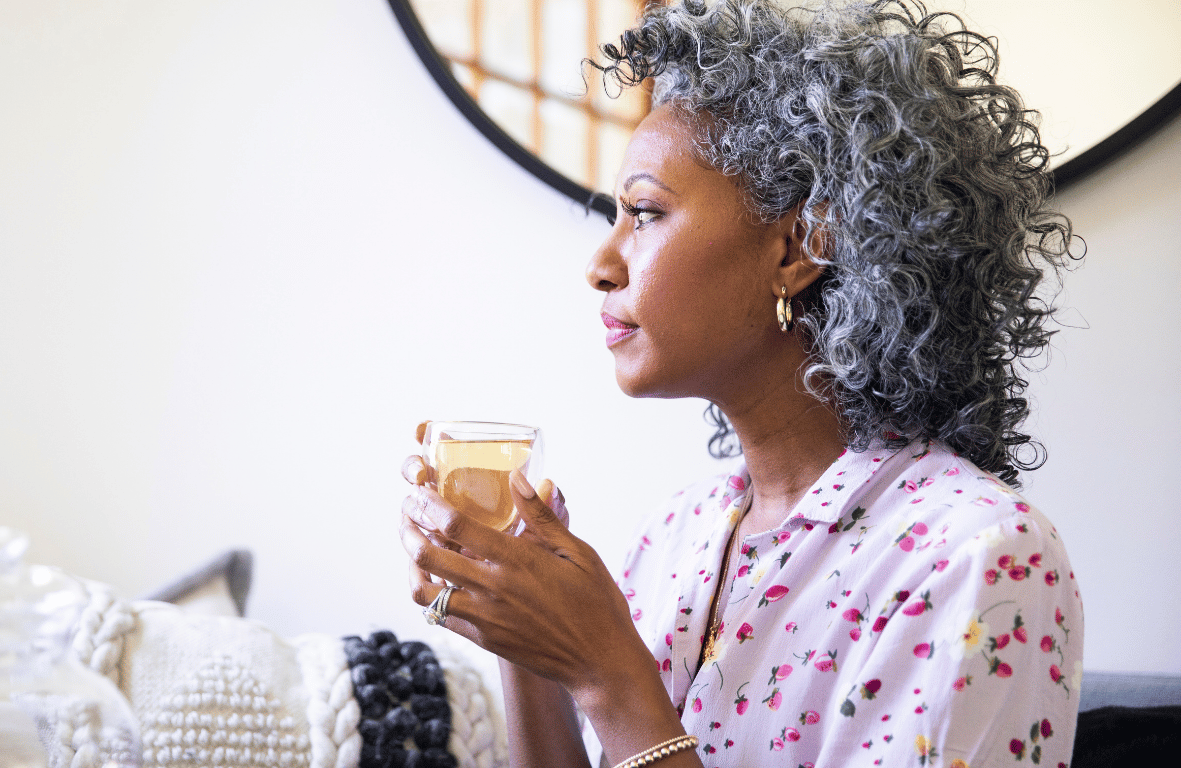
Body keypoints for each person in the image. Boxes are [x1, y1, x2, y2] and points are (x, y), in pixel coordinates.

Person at [399, 1, 1084, 766]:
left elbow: (621, 705)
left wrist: (610, 678)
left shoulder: (975, 556)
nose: (601, 264)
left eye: (646, 213)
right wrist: (524, 629)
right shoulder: (676, 540)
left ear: (799, 246)